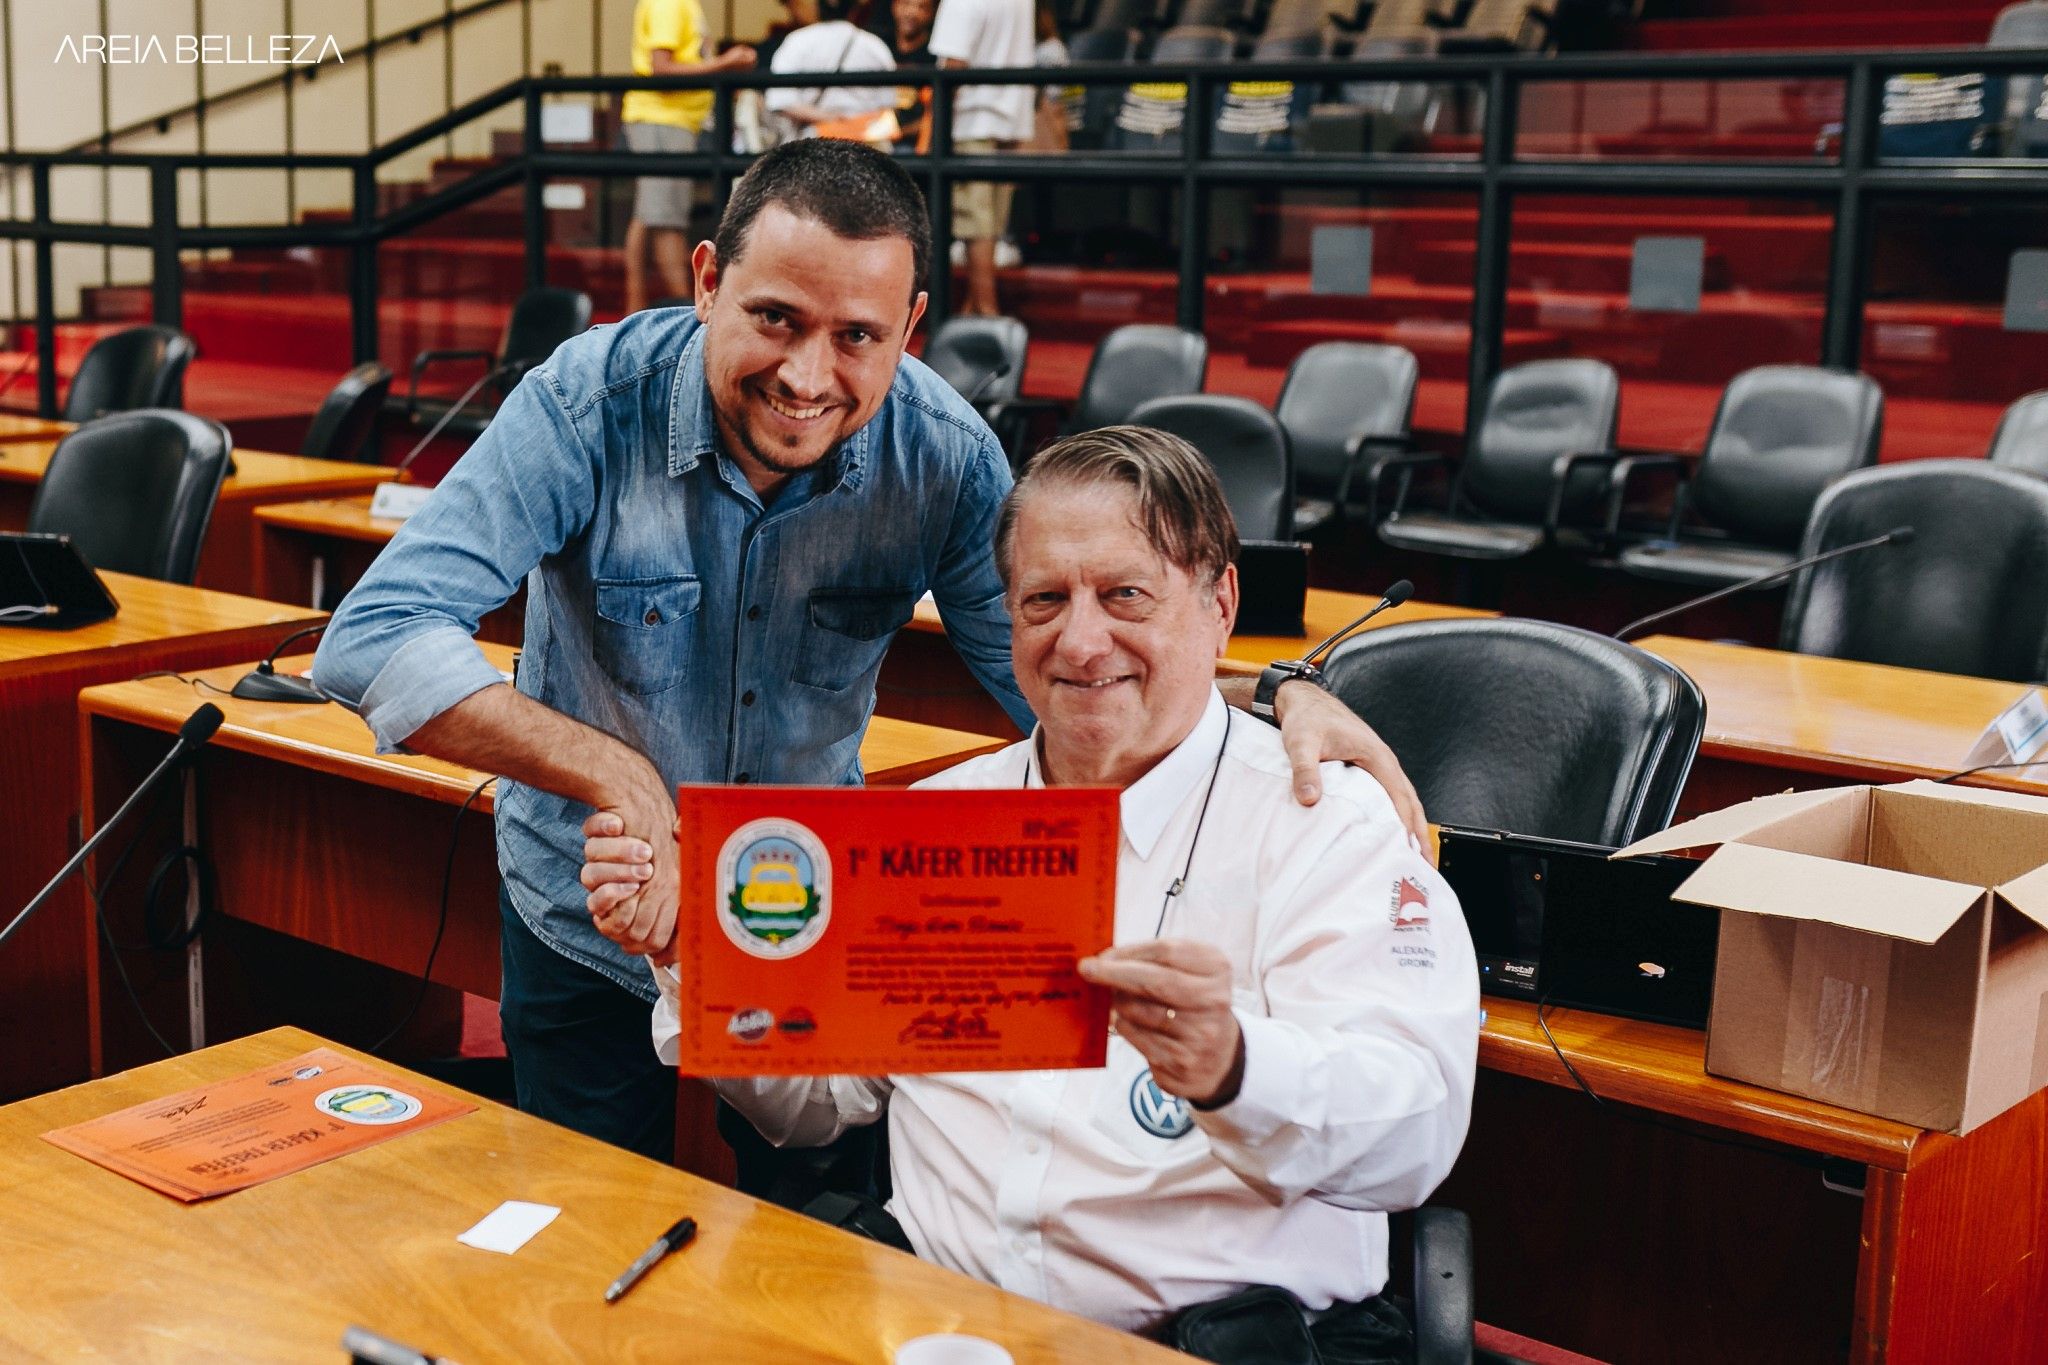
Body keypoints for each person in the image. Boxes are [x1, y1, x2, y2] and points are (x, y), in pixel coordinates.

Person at [311, 139, 1426, 1175]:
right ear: (707, 281)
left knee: (811, 1247)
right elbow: (375, 633)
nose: (808, 376)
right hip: (597, 910)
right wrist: (615, 774)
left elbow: (1071, 673)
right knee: (585, 1224)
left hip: (807, 913)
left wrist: (1276, 698)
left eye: (856, 337)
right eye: (775, 319)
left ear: (911, 325)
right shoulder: (584, 404)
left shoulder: (944, 457)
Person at [643, 426, 1479, 1359]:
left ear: (1221, 604)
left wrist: (1237, 1066)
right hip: (935, 1328)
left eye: (1126, 595)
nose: (1080, 642)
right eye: (1045, 599)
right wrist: (698, 959)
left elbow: (1416, 1135)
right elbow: (818, 1108)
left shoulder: (1327, 825)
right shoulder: (938, 819)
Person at [621, 0, 756, 313]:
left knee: (650, 213)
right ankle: (690, 310)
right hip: (662, 118)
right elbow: (661, 69)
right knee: (667, 220)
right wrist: (725, 63)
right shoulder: (668, 4)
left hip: (672, 120)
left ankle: (634, 304)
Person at [928, 0, 1035, 315]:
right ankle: (973, 308)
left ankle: (988, 311)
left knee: (977, 226)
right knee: (991, 224)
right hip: (1010, 120)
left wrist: (934, 128)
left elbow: (953, 64)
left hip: (973, 121)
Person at [763, 0, 898, 142]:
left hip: (811, 142)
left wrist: (828, 118)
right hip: (865, 143)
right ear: (854, 9)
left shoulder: (797, 41)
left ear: (817, 6)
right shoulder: (875, 46)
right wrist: (849, 122)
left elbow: (780, 101)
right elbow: (888, 105)